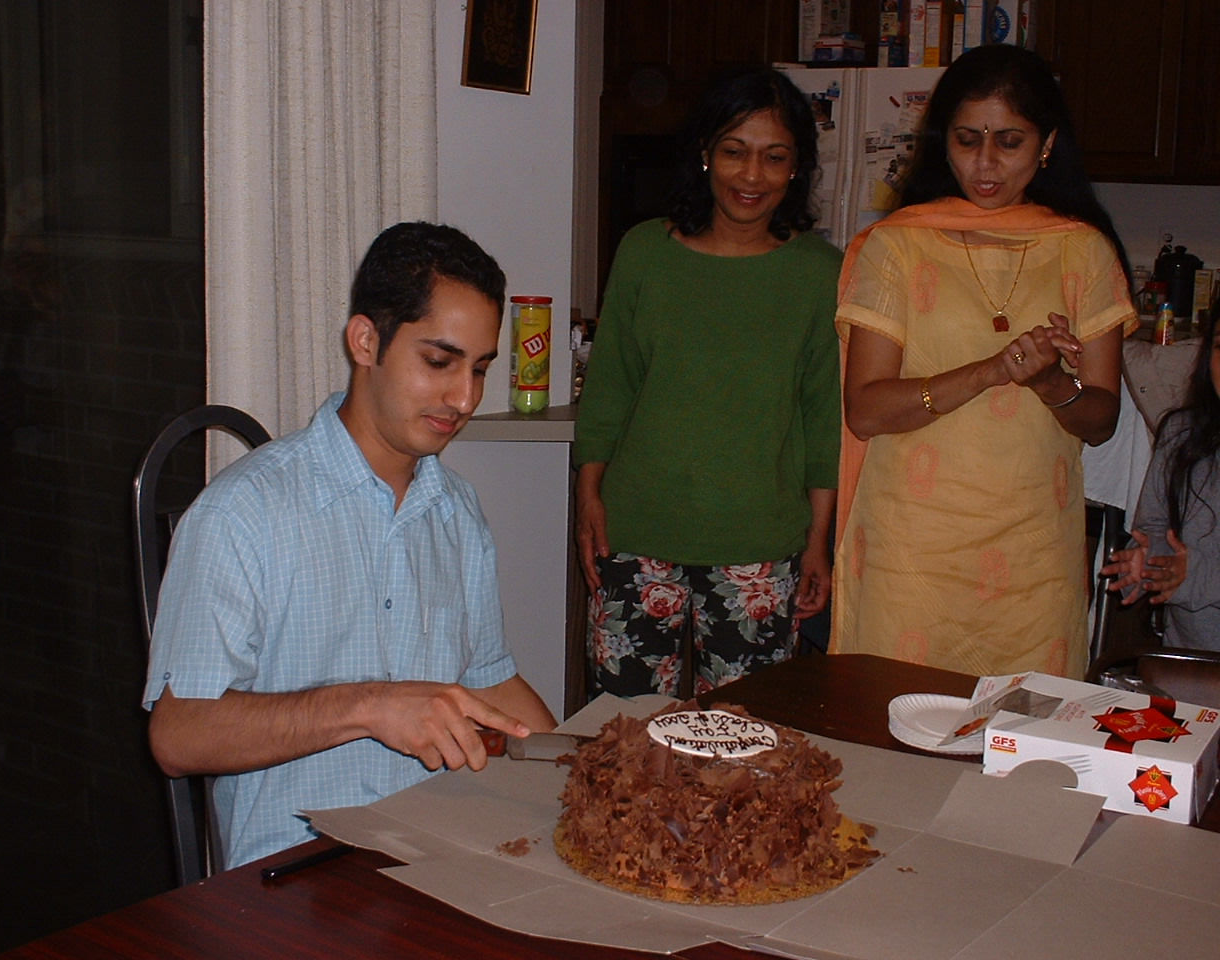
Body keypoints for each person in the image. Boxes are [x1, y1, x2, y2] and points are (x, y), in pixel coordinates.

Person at [143, 222, 556, 869]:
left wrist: (598, 776)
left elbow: (492, 681)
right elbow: (178, 736)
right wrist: (369, 707)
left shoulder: (457, 511)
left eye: (479, 369)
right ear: (365, 341)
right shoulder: (243, 513)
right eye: (440, 362)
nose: (465, 398)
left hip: (440, 854)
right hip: (297, 876)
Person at [831, 44, 1137, 679]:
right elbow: (865, 410)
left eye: (1009, 141)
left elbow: (1101, 420)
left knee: (1024, 733)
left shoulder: (1084, 252)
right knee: (891, 727)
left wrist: (1051, 383)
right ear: (943, 141)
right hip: (909, 556)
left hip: (1033, 560)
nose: (986, 163)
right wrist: (991, 372)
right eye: (967, 140)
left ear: (1047, 144)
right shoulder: (896, 247)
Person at [574, 67, 842, 699]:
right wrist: (589, 497)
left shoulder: (820, 273)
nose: (752, 176)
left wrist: (817, 542)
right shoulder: (645, 252)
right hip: (635, 535)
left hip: (761, 545)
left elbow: (822, 416)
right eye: (734, 151)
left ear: (797, 168)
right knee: (625, 734)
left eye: (774, 157)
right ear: (704, 153)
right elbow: (610, 387)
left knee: (748, 735)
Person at [1102, 306, 1220, 650]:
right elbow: (1154, 527)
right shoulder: (1183, 434)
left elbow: (1193, 571)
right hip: (1189, 661)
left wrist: (1196, 575)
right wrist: (1148, 560)